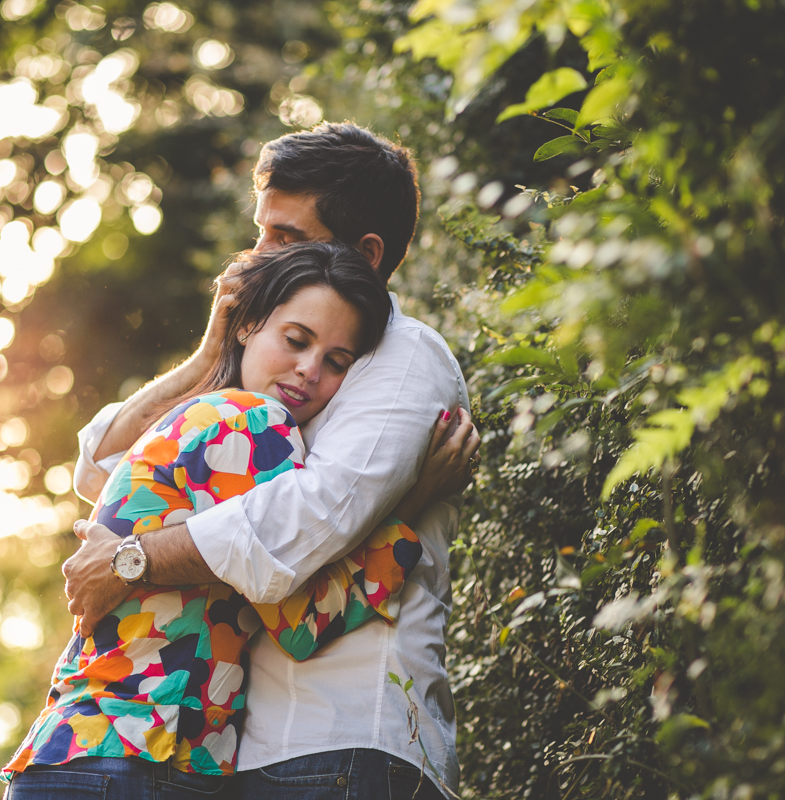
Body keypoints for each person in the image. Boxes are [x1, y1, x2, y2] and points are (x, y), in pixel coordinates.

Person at [65, 122, 478, 799]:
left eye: (285, 238)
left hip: (343, 739)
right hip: (247, 751)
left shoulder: (405, 358)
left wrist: (128, 559)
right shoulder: (274, 372)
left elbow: (295, 529)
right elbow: (106, 471)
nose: (256, 257)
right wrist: (209, 358)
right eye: (261, 231)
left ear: (364, 253)